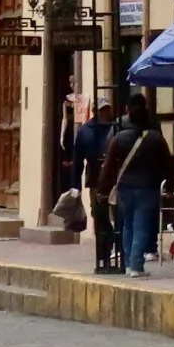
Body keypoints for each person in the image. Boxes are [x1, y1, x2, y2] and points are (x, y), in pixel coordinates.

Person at [99, 91, 174, 277]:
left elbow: (108, 166)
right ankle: (136, 265)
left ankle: (128, 264)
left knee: (128, 225)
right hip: (148, 187)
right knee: (141, 225)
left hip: (125, 187)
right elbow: (167, 164)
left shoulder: (119, 138)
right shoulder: (155, 138)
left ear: (128, 112)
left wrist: (102, 189)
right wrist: (170, 185)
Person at [73, 94, 118, 272]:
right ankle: (103, 255)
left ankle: (115, 247)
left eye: (107, 110)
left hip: (115, 179)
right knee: (99, 216)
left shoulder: (115, 128)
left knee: (117, 216)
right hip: (96, 180)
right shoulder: (85, 131)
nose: (106, 114)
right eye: (102, 110)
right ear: (95, 112)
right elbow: (77, 161)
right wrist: (75, 186)